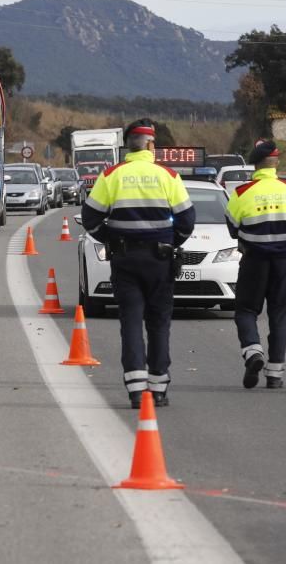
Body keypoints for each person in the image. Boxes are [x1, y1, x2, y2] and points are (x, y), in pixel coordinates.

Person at [81, 119, 194, 408]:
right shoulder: (168, 175)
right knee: (159, 324)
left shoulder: (111, 176)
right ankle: (158, 388)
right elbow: (187, 220)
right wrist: (172, 241)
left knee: (130, 321)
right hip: (160, 259)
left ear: (127, 146)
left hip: (125, 259)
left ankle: (135, 389)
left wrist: (112, 239)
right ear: (151, 145)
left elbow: (91, 218)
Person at [225, 139, 286, 390]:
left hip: (254, 261)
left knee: (246, 311)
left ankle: (253, 351)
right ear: (276, 163)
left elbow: (233, 229)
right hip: (282, 262)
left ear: (254, 165)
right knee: (279, 315)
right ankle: (275, 374)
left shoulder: (241, 193)